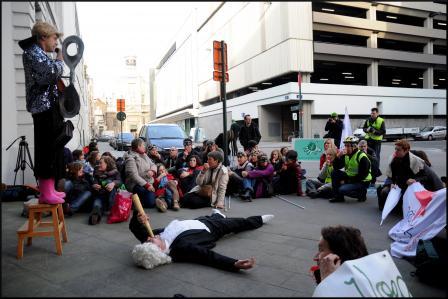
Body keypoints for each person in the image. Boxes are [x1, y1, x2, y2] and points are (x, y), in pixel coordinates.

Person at [129, 209, 275, 271]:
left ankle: (217, 214)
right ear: (159, 250)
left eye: (147, 240)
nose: (149, 238)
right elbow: (206, 256)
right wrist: (233, 263)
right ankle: (259, 219)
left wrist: (138, 217)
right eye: (150, 242)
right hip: (212, 229)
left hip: (197, 221)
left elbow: (136, 229)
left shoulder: (156, 237)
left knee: (211, 216)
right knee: (238, 223)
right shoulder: (181, 249)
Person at [19, 21, 66, 204]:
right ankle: (46, 193)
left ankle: (50, 189)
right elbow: (51, 73)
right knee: (46, 149)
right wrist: (60, 58)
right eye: (55, 38)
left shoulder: (38, 53)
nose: (56, 43)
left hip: (49, 106)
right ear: (44, 37)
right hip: (42, 108)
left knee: (53, 147)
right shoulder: (32, 52)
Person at [377, 139, 444, 214]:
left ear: (406, 150)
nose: (395, 151)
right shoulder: (395, 159)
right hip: (401, 184)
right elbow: (392, 174)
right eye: (395, 149)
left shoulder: (416, 161)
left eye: (398, 150)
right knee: (384, 191)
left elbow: (426, 176)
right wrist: (391, 183)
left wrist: (415, 180)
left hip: (417, 186)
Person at [330, 136, 372, 203]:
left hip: (362, 181)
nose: (346, 148)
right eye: (345, 146)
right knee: (334, 173)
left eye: (348, 146)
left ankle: (361, 194)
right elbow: (336, 167)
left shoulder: (362, 157)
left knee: (342, 189)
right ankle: (338, 197)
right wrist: (338, 156)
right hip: (351, 177)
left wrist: (346, 181)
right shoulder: (346, 155)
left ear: (354, 147)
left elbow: (362, 176)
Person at [124, 138, 158, 208]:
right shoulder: (130, 158)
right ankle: (135, 202)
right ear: (138, 146)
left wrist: (152, 171)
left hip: (148, 182)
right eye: (143, 145)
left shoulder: (144, 155)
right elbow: (134, 176)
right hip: (136, 185)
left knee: (151, 203)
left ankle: (157, 200)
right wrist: (147, 185)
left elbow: (153, 164)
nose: (144, 147)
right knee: (146, 198)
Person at [89, 156, 122, 225]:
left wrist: (113, 183)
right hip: (100, 195)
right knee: (96, 206)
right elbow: (94, 182)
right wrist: (94, 185)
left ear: (108, 164)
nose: (99, 165)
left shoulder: (115, 172)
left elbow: (120, 181)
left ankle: (111, 209)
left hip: (111, 196)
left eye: (101, 163)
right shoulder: (97, 171)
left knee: (109, 182)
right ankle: (95, 216)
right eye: (99, 163)